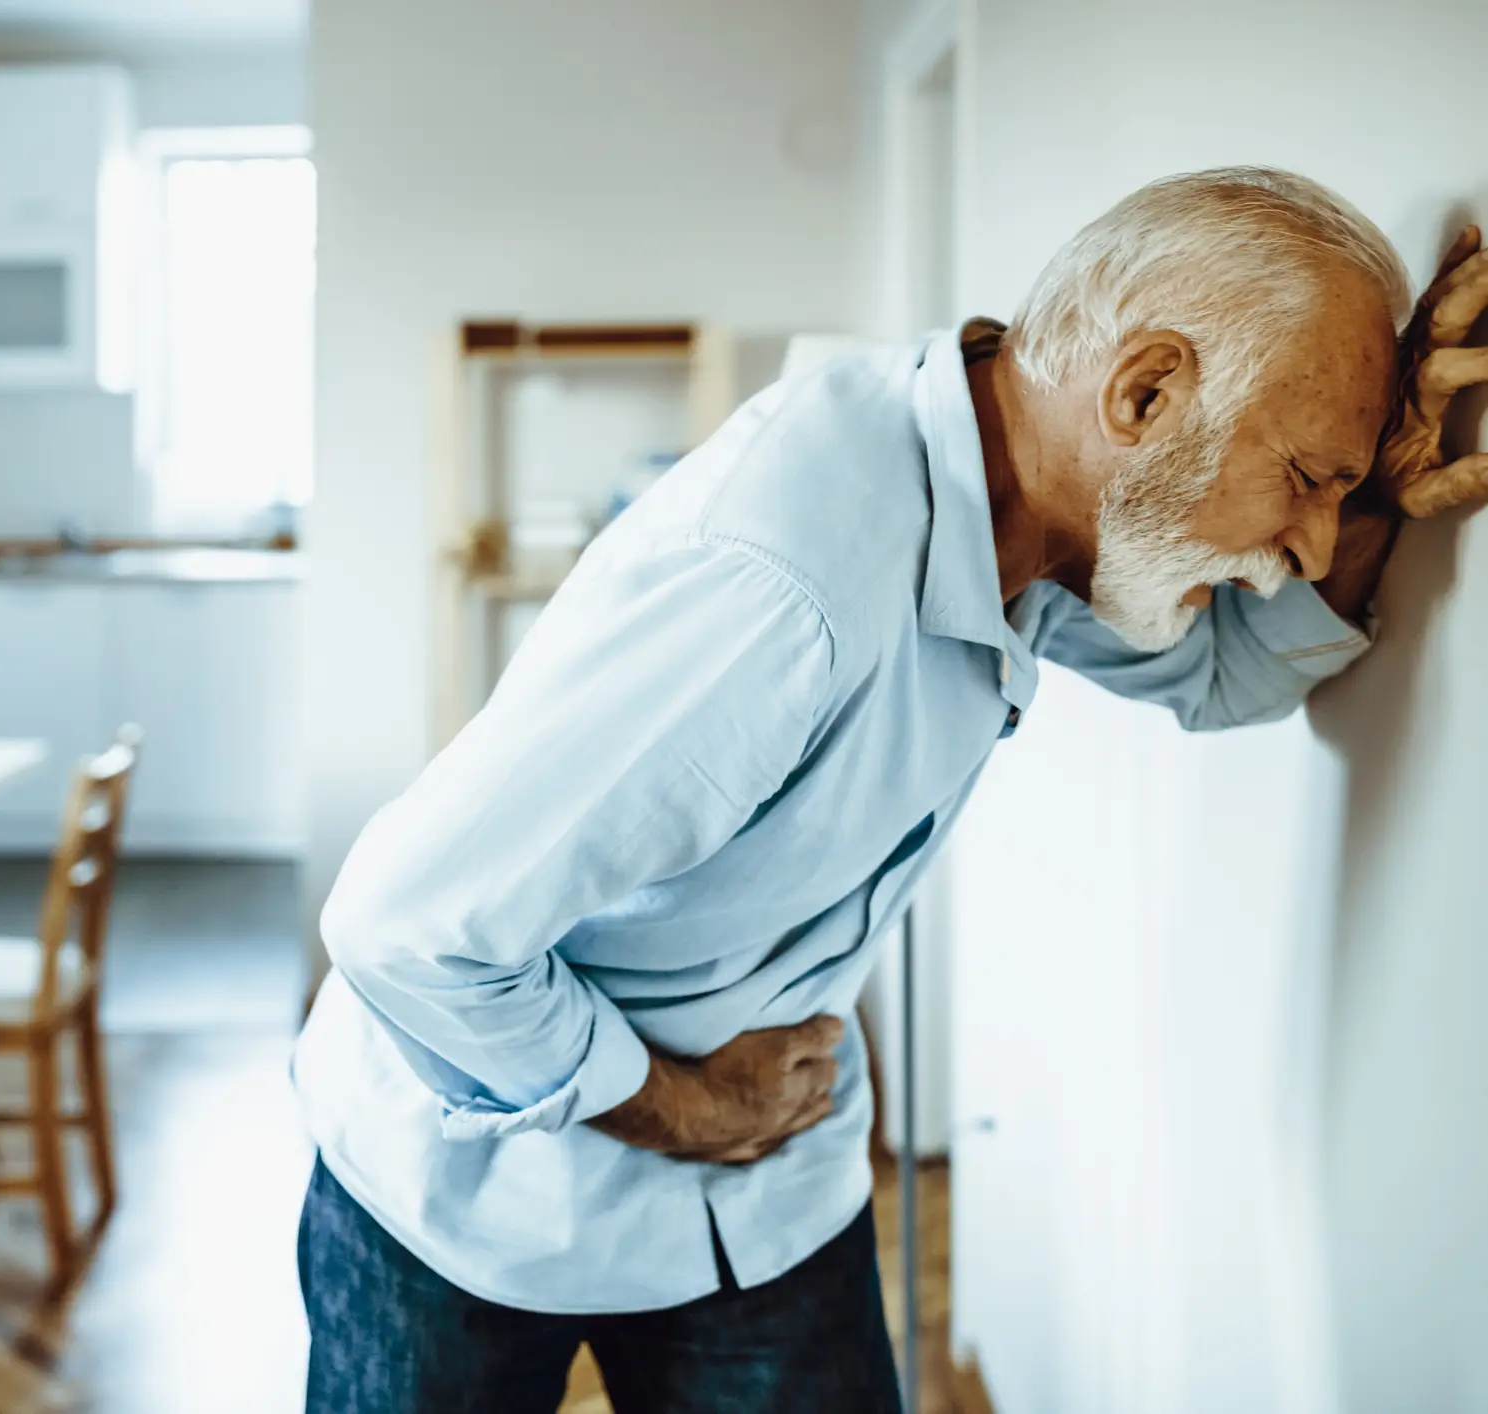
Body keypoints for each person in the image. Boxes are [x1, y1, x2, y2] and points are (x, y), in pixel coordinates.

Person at [293, 168, 1488, 1412]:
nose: (1303, 546)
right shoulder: (783, 588)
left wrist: (1367, 491)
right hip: (478, 1182)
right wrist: (680, 1104)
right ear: (1144, 393)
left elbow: (1232, 679)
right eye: (1305, 479)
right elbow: (406, 928)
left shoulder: (1026, 498)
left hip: (770, 1180)